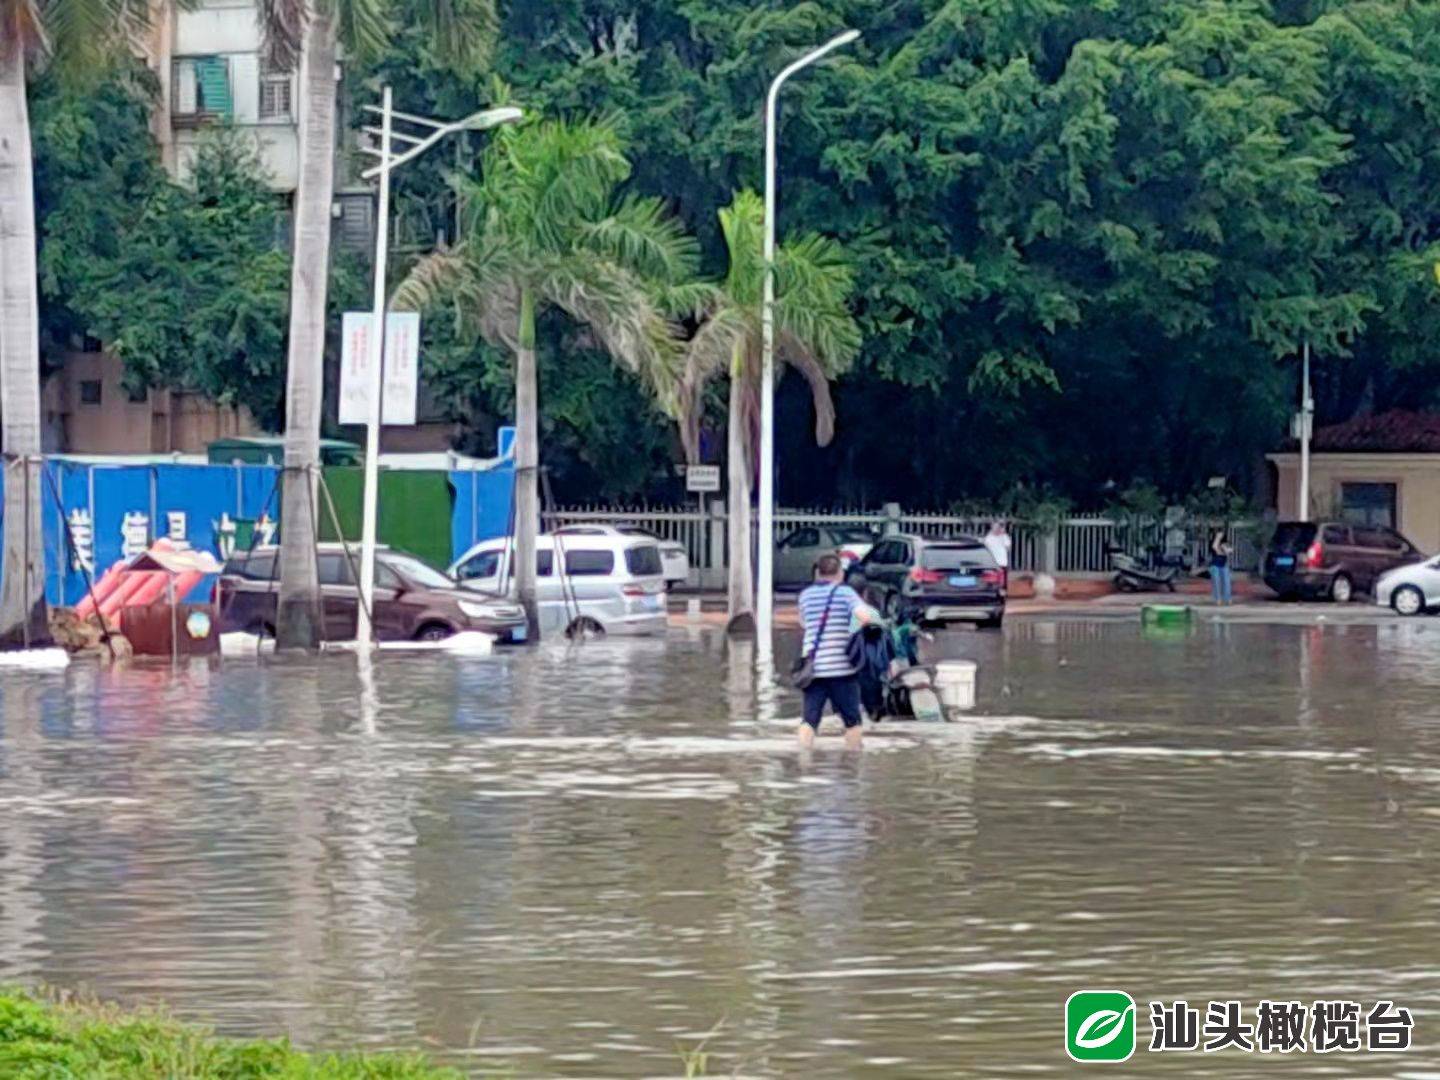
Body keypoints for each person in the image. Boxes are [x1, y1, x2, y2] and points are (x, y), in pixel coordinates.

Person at [797, 553, 877, 750]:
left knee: (809, 721)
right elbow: (865, 617)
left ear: (818, 573)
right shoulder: (845, 593)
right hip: (842, 669)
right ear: (840, 572)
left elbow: (803, 623)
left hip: (812, 668)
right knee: (852, 722)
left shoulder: (805, 595)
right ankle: (853, 761)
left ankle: (803, 758)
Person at [984, 520, 1012, 587]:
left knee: (1003, 582)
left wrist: (1002, 536)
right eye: (995, 527)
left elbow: (1008, 547)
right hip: (992, 563)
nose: (997, 529)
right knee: (991, 581)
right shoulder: (988, 538)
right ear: (992, 528)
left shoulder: (1004, 537)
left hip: (1002, 562)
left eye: (998, 527)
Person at [1210, 529, 1233, 606]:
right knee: (1216, 583)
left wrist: (1224, 549)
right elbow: (1215, 548)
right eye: (1219, 534)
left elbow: (1229, 551)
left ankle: (1227, 598)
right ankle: (1218, 599)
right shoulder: (1214, 543)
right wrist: (1217, 538)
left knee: (1226, 582)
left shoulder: (1225, 544)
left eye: (1221, 534)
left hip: (1224, 565)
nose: (1220, 535)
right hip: (1215, 565)